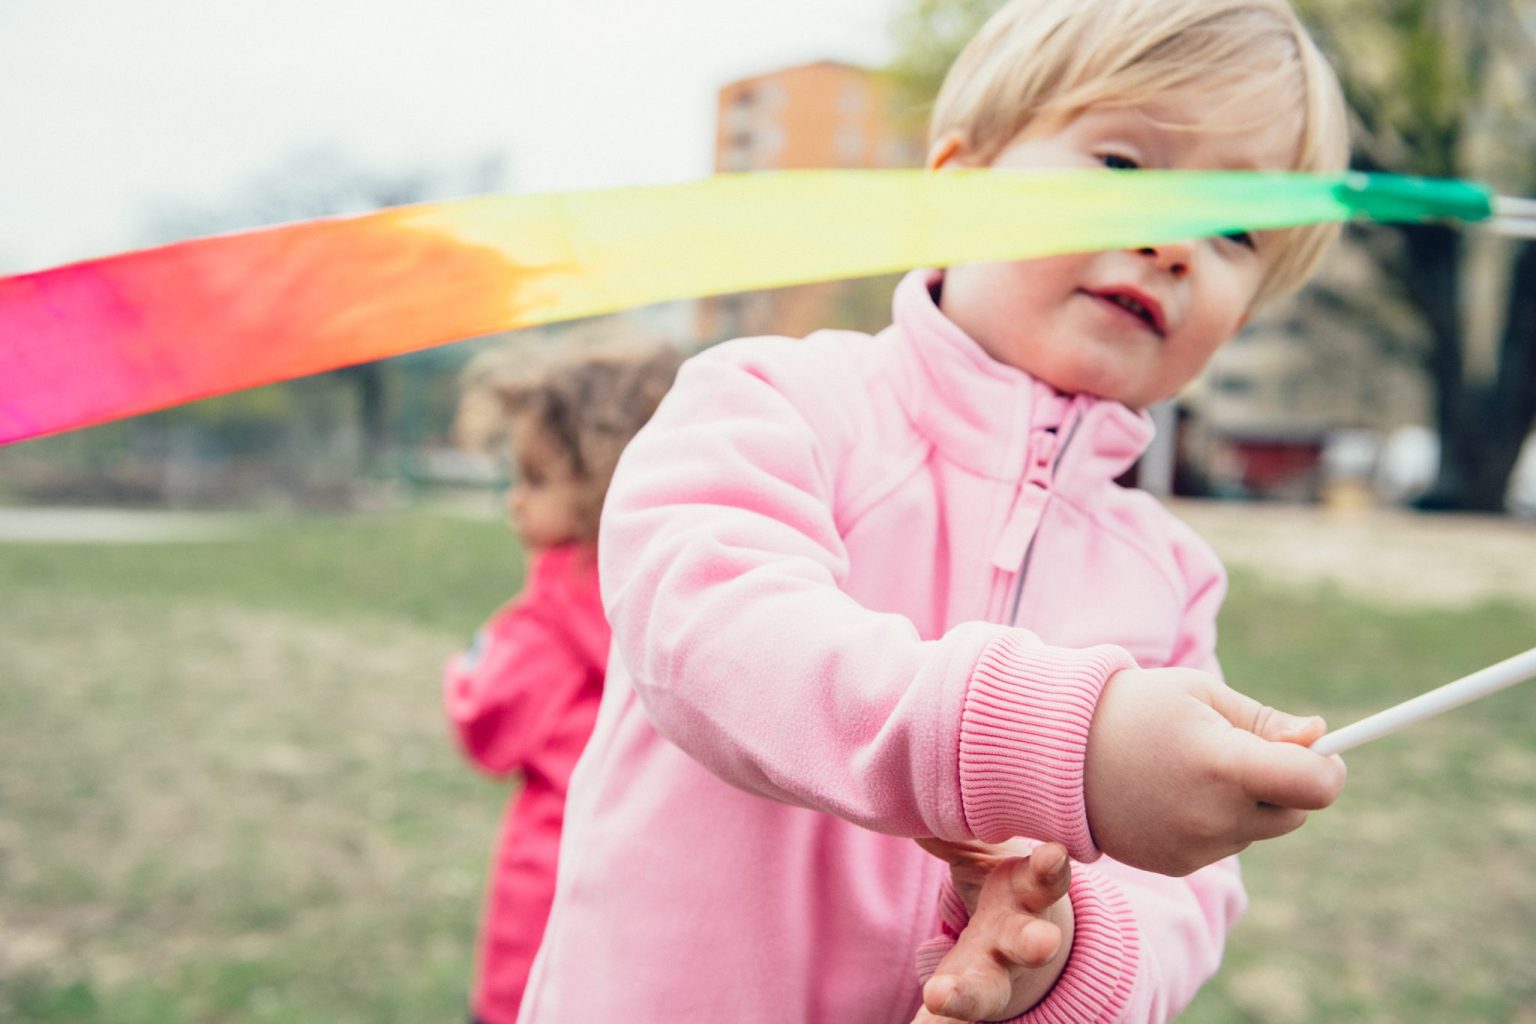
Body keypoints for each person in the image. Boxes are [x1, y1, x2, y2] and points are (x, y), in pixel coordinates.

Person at [520, 1, 1351, 1020]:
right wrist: (1049, 742)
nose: (1178, 243)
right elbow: (709, 635)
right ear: (960, 189)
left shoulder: (1170, 581)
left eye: (1236, 229)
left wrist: (1064, 952)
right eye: (1129, 167)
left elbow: (1188, 899)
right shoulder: (776, 402)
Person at [441, 338, 682, 1024]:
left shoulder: (548, 610)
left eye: (537, 479)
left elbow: (484, 722)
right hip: (647, 899)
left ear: (604, 481)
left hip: (550, 889)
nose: (515, 502)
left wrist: (465, 668)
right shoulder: (671, 591)